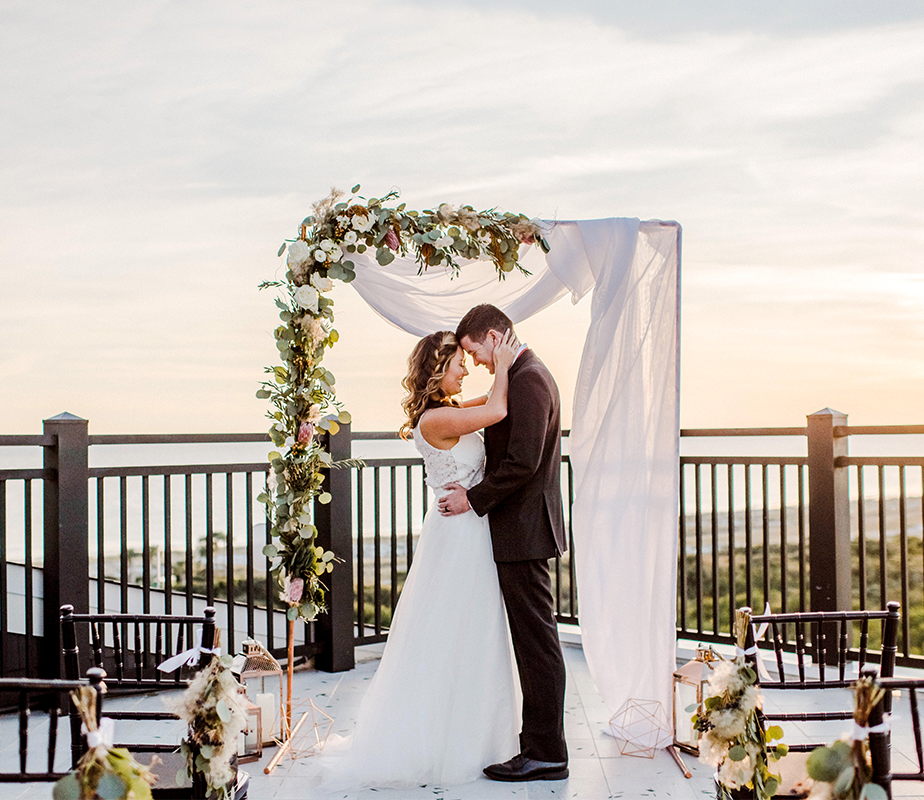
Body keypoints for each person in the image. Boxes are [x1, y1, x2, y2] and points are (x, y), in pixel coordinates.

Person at [318, 329, 520, 790]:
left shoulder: (448, 411)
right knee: (455, 628)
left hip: (470, 526)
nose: (465, 370)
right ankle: (452, 740)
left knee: (475, 629)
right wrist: (506, 362)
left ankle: (480, 735)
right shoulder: (435, 419)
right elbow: (497, 410)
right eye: (459, 364)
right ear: (438, 368)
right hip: (459, 535)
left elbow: (489, 400)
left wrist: (504, 370)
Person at [440, 304, 569, 782]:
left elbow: (522, 463)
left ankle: (546, 752)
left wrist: (471, 499)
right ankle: (538, 745)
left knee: (537, 646)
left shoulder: (530, 379)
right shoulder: (519, 375)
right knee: (534, 643)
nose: (476, 363)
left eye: (475, 352)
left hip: (525, 531)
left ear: (494, 338)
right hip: (522, 530)